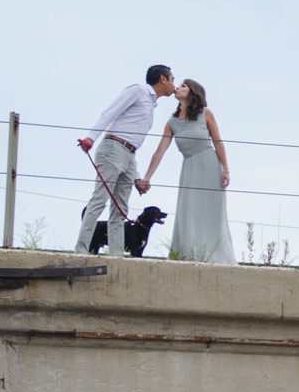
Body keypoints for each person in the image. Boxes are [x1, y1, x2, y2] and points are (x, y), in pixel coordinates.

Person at [76, 65, 174, 255]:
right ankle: (81, 249)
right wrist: (91, 137)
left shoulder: (150, 104)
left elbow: (132, 142)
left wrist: (136, 176)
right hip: (113, 148)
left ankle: (116, 254)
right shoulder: (137, 90)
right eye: (172, 79)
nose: (173, 84)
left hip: (129, 154)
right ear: (163, 79)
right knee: (99, 200)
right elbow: (110, 112)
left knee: (121, 207)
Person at [140, 78, 235, 263]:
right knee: (188, 210)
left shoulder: (205, 114)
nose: (177, 87)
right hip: (189, 167)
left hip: (209, 165)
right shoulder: (172, 123)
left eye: (183, 85)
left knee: (211, 213)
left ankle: (214, 255)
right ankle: (187, 253)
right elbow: (160, 150)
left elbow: (218, 142)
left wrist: (226, 169)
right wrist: (147, 177)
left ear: (193, 91)